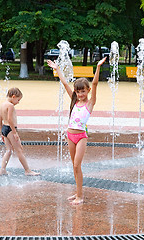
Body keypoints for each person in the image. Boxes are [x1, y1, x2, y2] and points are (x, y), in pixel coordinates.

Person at [47, 57, 107, 205]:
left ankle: (80, 196)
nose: (81, 94)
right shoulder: (74, 100)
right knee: (74, 166)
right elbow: (65, 83)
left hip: (81, 137)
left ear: (88, 91)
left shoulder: (90, 103)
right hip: (70, 136)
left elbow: (95, 83)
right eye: (78, 92)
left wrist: (98, 67)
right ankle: (77, 192)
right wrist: (57, 69)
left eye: (83, 92)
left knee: (76, 165)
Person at [0, 87, 40, 176]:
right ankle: (28, 171)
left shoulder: (3, 105)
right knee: (19, 150)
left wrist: (2, 132)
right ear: (13, 96)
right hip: (10, 129)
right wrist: (14, 133)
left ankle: (2, 170)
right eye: (18, 100)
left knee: (8, 150)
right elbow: (10, 119)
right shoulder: (10, 106)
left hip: (4, 129)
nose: (18, 102)